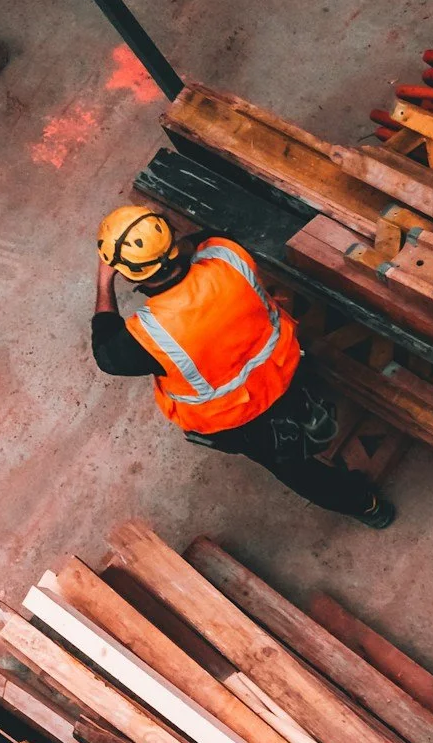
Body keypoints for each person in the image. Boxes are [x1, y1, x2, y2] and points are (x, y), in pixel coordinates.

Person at [91, 202, 395, 526]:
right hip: (286, 365)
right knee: (303, 410)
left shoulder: (145, 337)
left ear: (128, 273)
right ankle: (353, 481)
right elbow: (206, 238)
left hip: (242, 418)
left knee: (298, 471)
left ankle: (369, 508)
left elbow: (104, 348)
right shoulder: (225, 255)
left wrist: (103, 281)